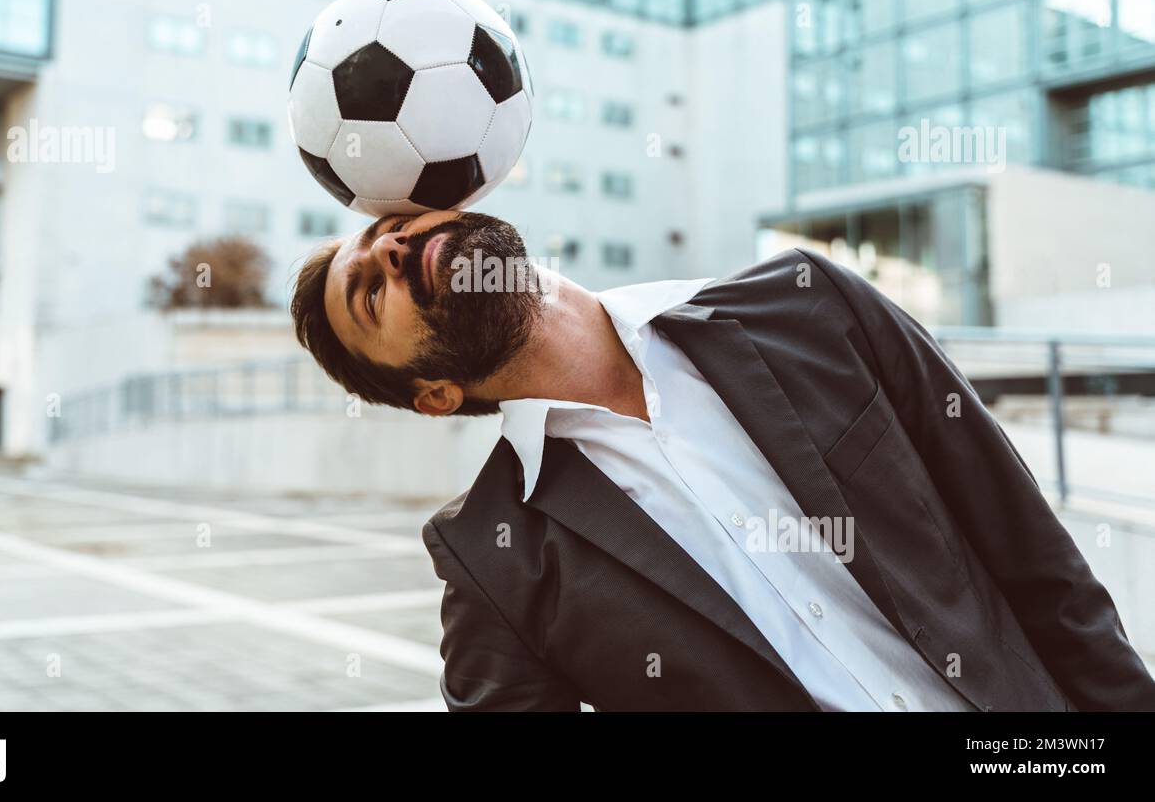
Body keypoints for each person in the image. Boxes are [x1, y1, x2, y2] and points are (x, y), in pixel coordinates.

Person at [289, 209, 1155, 711]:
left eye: (395, 229)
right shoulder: (492, 561)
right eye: (373, 292)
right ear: (434, 393)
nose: (394, 251)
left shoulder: (811, 308)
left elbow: (1037, 563)